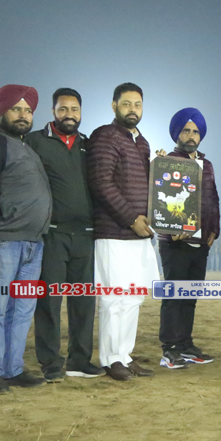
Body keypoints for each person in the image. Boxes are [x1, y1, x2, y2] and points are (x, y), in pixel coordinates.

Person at [0, 86, 51, 394]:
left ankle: (13, 368)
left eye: (28, 110)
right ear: (1, 111)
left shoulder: (26, 146)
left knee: (21, 310)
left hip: (33, 244)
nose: (23, 115)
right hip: (4, 242)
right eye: (16, 109)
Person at [25, 88, 102, 381]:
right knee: (49, 301)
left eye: (74, 109)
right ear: (53, 111)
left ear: (81, 112)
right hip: (52, 235)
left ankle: (79, 360)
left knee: (84, 302)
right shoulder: (35, 141)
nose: (69, 114)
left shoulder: (89, 145)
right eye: (63, 109)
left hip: (86, 235)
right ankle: (51, 363)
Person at [88, 83, 159, 381]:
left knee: (133, 298)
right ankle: (110, 359)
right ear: (114, 105)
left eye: (137, 104)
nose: (132, 109)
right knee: (113, 298)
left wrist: (160, 168)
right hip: (114, 231)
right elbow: (101, 183)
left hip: (139, 234)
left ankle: (125, 355)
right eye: (127, 103)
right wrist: (131, 219)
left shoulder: (142, 143)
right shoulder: (105, 135)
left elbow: (146, 186)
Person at [156, 107, 220, 369]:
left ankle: (185, 344)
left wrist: (214, 230)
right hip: (175, 243)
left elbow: (213, 199)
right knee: (173, 297)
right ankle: (169, 348)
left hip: (201, 242)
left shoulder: (207, 164)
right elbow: (159, 201)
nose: (191, 135)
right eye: (186, 130)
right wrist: (170, 231)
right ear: (177, 134)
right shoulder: (167, 162)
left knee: (190, 297)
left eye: (195, 131)